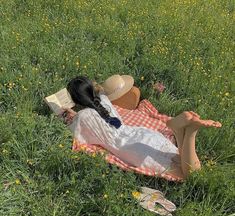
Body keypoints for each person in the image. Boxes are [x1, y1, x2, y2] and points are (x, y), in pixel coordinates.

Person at [64, 76, 222, 180]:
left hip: (132, 150)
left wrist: (70, 115)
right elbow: (98, 111)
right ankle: (180, 131)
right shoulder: (104, 101)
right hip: (143, 136)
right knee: (183, 161)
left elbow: (76, 133)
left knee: (190, 175)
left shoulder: (82, 118)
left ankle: (190, 132)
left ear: (76, 100)